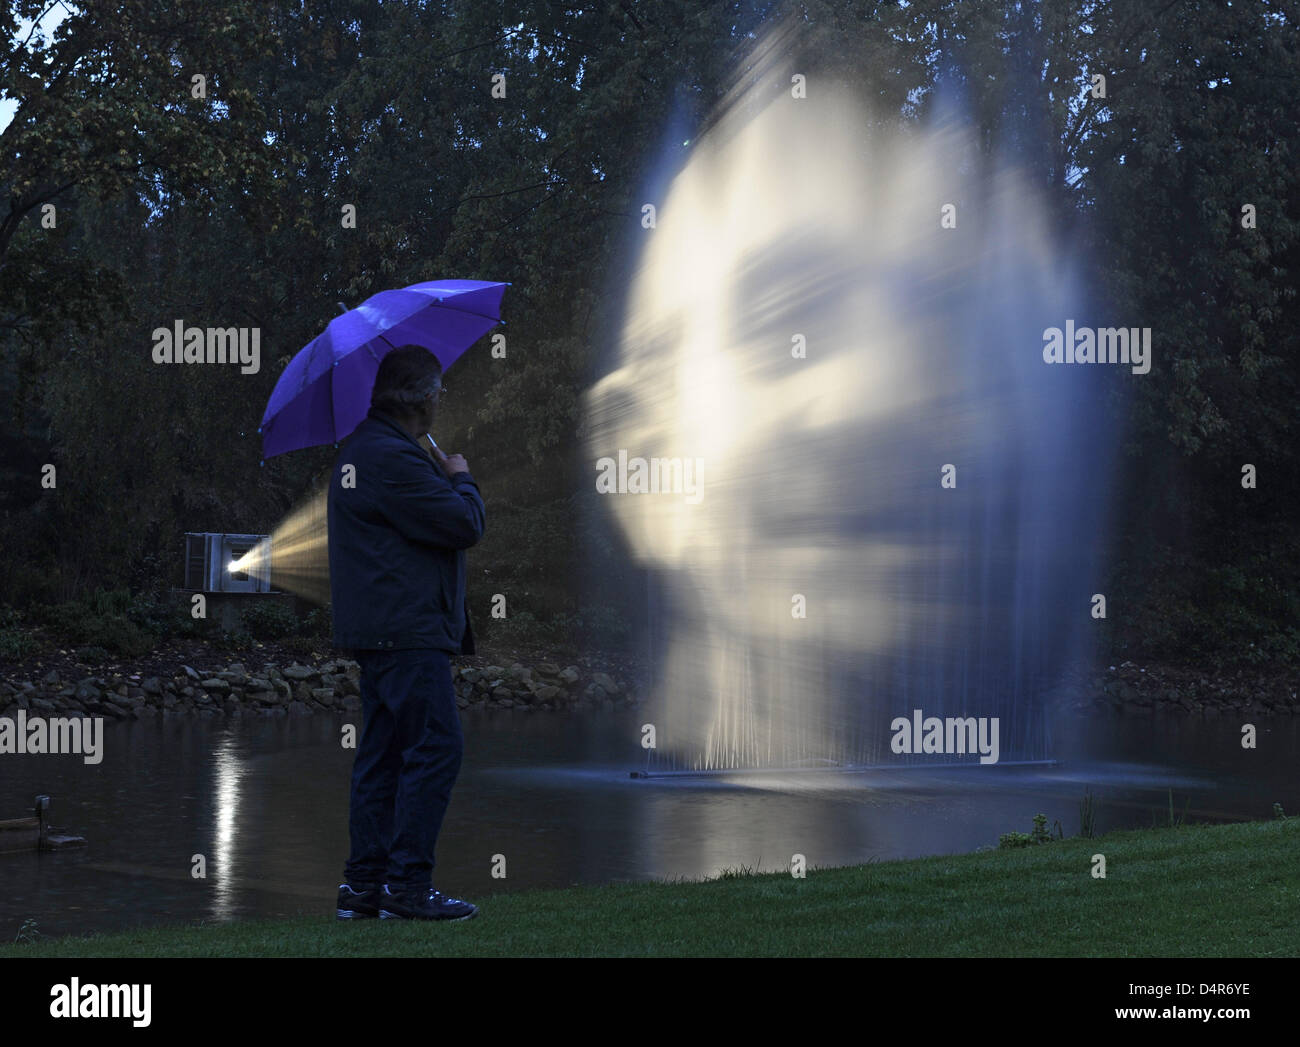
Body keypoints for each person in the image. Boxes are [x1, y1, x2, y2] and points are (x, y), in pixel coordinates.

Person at [328, 344, 485, 921]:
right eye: (439, 390)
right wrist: (463, 478)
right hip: (406, 631)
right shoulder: (390, 459)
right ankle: (406, 888)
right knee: (437, 747)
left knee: (384, 757)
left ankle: (363, 889)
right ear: (421, 397)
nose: (442, 400)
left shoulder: (372, 451)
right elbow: (464, 525)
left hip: (383, 632)